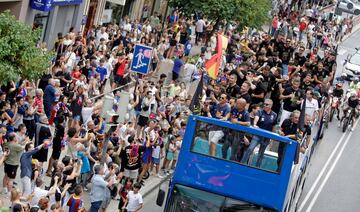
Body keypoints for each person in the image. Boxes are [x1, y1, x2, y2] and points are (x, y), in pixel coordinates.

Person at [241, 99, 277, 167]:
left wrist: (272, 139)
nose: (265, 105)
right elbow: (256, 119)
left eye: (267, 104)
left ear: (271, 106)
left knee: (261, 154)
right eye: (264, 104)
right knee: (250, 149)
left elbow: (274, 127)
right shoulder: (260, 112)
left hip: (267, 137)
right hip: (258, 135)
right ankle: (242, 164)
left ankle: (257, 168)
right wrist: (254, 124)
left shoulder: (274, 115)